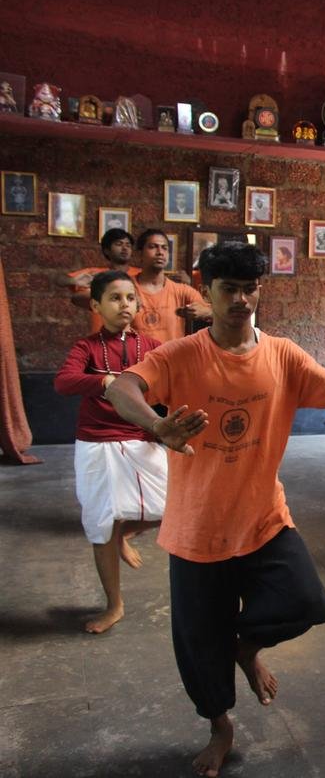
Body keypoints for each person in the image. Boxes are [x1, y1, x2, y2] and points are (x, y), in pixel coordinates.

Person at [106, 242, 325, 777]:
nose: (241, 299)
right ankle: (220, 726)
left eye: (250, 288)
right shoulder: (182, 354)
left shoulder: (281, 353)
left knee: (309, 602)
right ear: (205, 291)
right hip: (196, 528)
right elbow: (123, 386)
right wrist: (155, 424)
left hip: (263, 519)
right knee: (197, 644)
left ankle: (246, 646)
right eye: (228, 289)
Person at [54, 270, 166, 634]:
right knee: (101, 524)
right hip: (97, 441)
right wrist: (103, 381)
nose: (125, 305)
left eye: (130, 298)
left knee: (176, 506)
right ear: (96, 305)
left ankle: (124, 533)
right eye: (115, 298)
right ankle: (114, 605)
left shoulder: (148, 347)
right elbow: (64, 382)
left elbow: (175, 376)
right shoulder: (85, 347)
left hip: (141, 437)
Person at [56, 228, 143, 334]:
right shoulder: (95, 274)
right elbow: (59, 280)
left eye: (128, 245)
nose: (124, 248)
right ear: (107, 250)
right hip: (103, 338)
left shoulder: (141, 275)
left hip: (136, 337)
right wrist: (73, 280)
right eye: (119, 244)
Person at [132, 229, 211, 342]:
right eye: (153, 247)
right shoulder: (127, 289)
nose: (160, 252)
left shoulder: (181, 291)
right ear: (140, 254)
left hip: (172, 358)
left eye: (164, 248)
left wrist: (206, 312)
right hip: (138, 358)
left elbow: (217, 314)